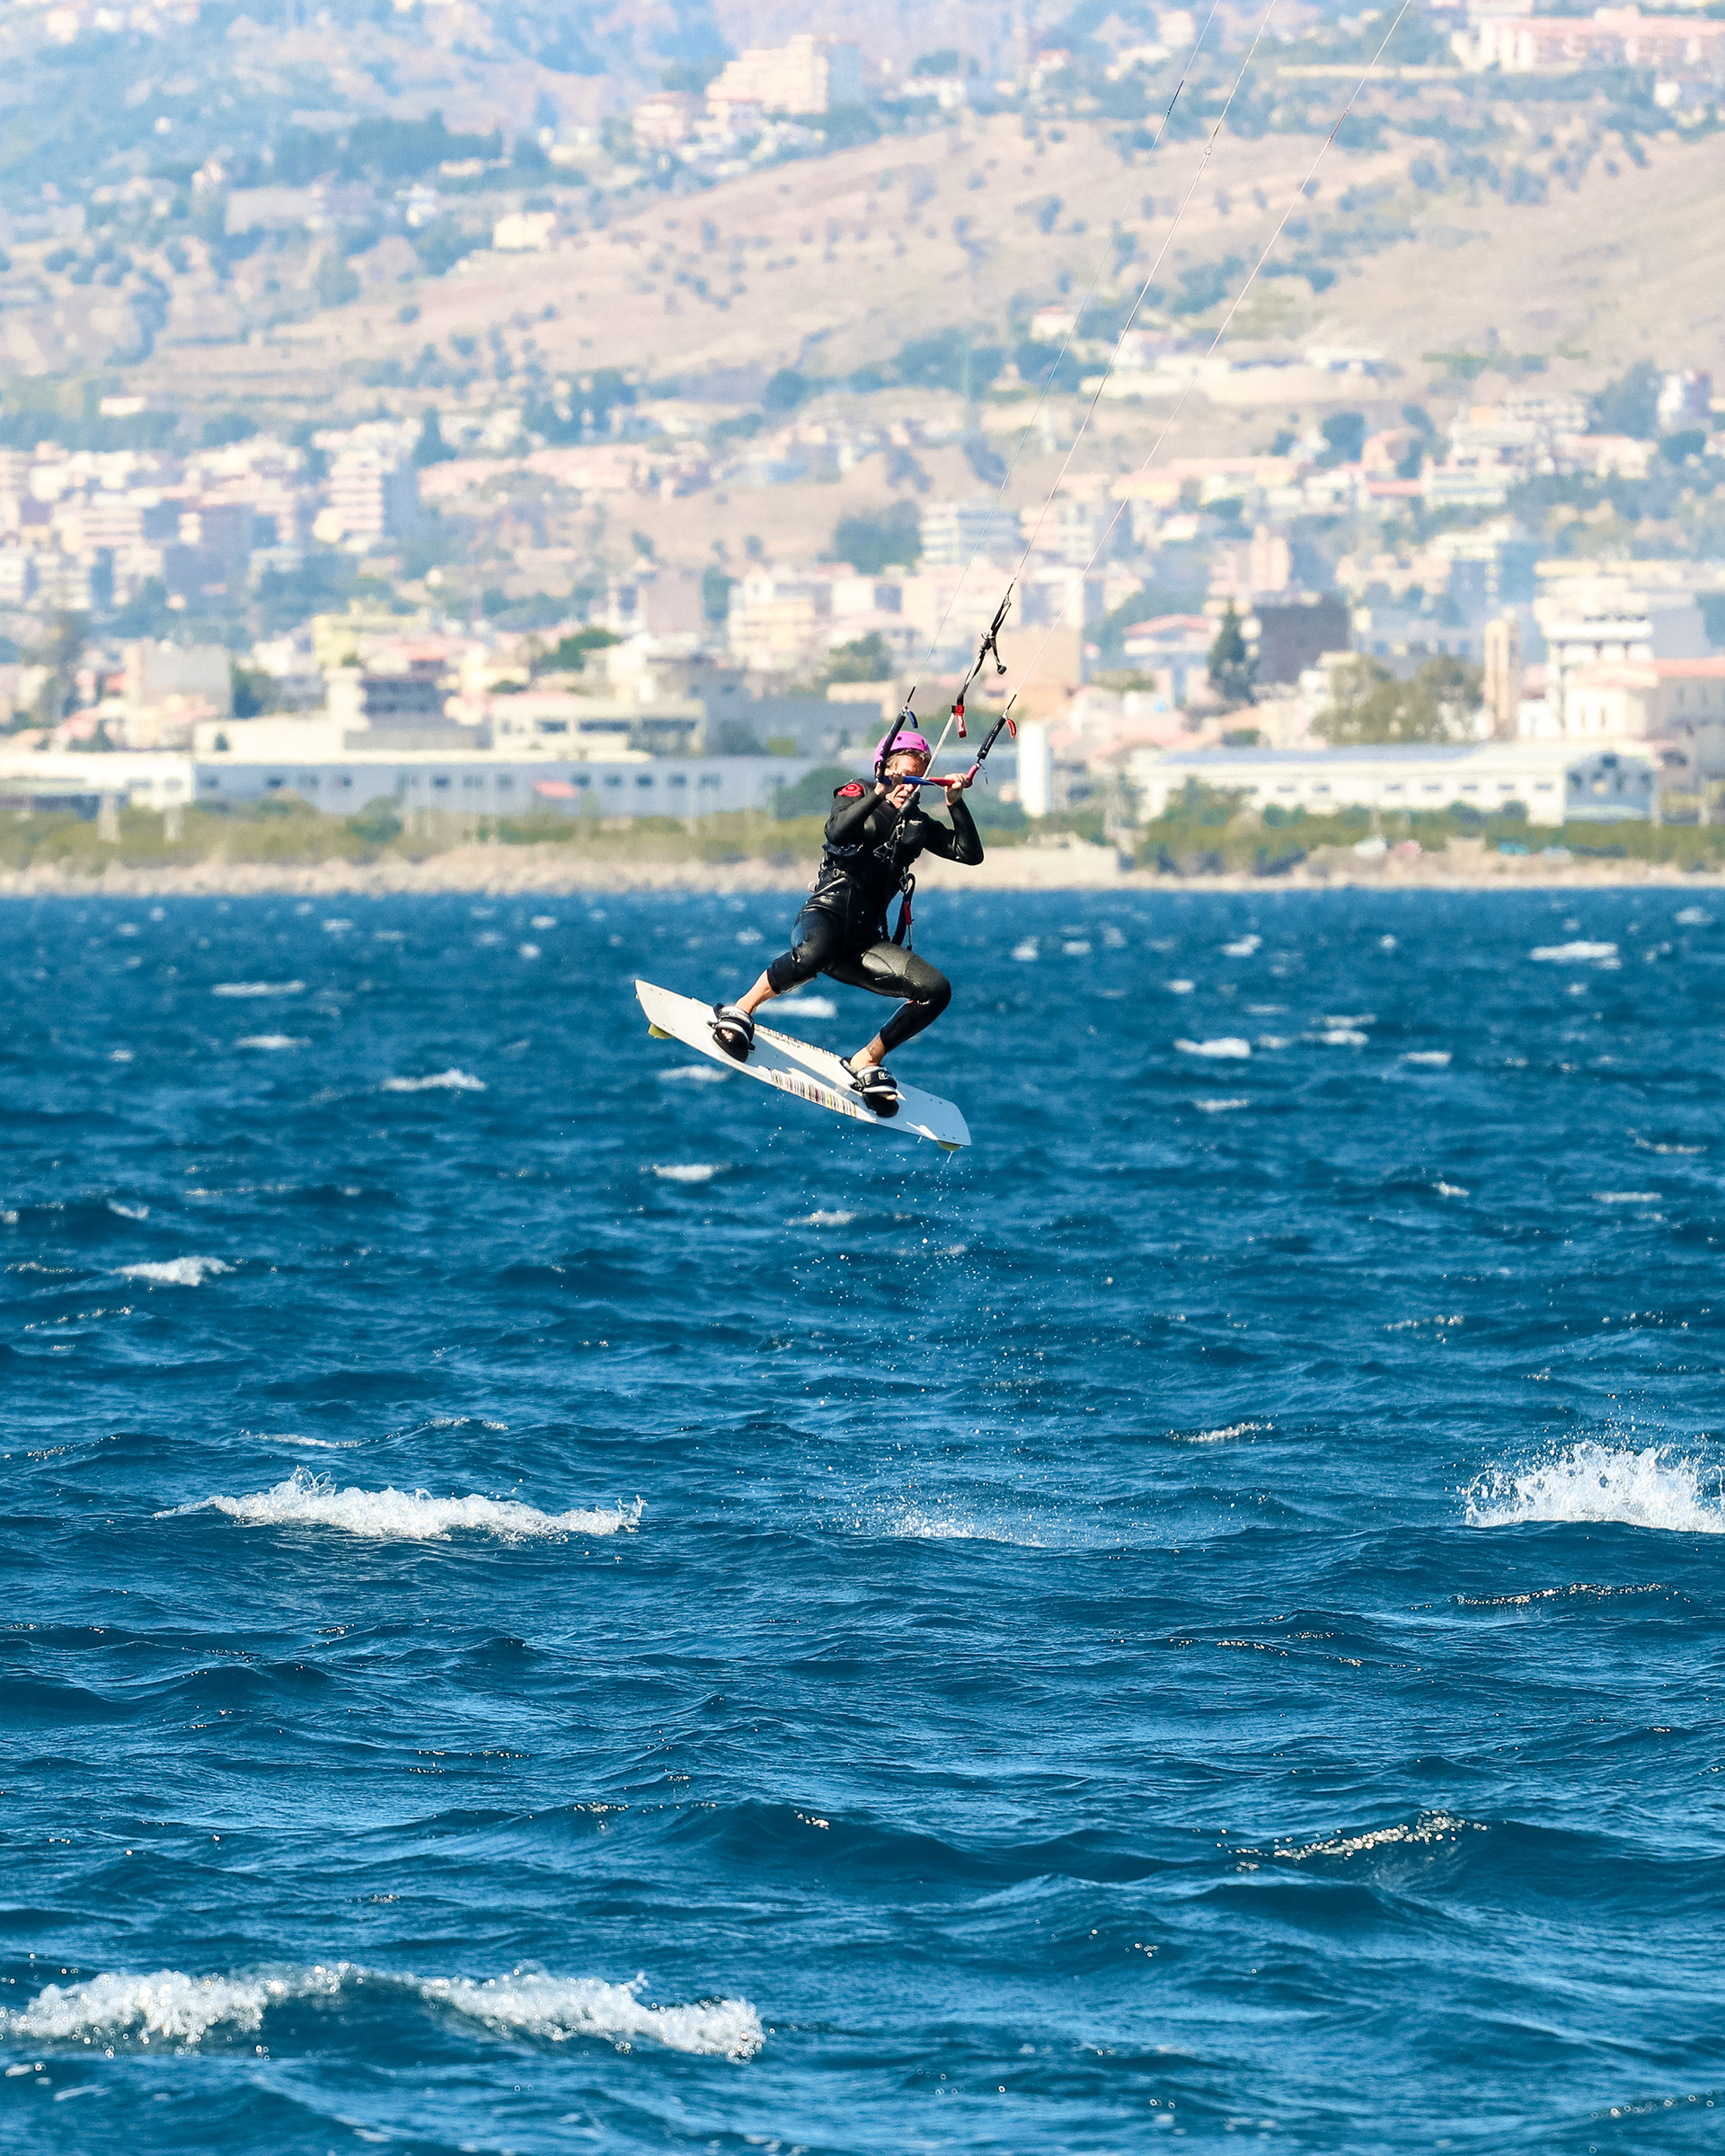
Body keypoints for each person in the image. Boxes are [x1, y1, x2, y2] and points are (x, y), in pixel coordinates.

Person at [710, 729, 984, 1117]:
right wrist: (878, 793)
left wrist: (955, 803)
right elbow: (837, 831)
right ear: (883, 771)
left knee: (937, 990)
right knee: (815, 954)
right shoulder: (855, 793)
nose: (909, 786)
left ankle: (867, 1060)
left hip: (864, 942)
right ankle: (742, 1008)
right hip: (824, 916)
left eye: (917, 778)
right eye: (902, 776)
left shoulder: (918, 826)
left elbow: (969, 854)